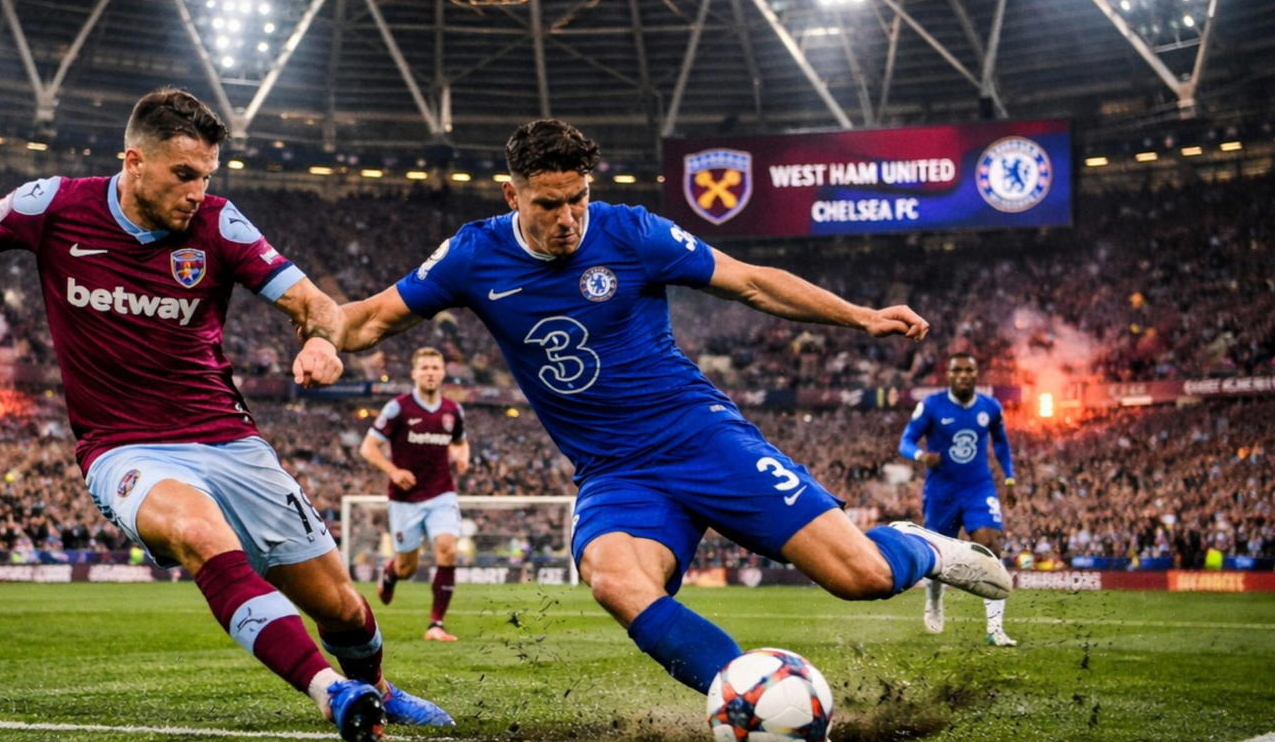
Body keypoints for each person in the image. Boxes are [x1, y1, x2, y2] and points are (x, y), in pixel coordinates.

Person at [0, 87, 450, 742]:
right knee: (200, 535)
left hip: (228, 439)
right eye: (183, 175)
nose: (197, 191)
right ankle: (331, 691)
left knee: (341, 605)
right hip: (125, 447)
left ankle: (378, 687)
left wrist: (320, 339)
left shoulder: (221, 225)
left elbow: (313, 301)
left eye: (206, 176)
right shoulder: (54, 205)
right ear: (134, 161)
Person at [337, 118, 1009, 698]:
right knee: (612, 579)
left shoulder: (632, 234)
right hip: (615, 472)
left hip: (700, 438)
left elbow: (749, 282)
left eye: (578, 199)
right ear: (512, 194)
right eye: (548, 204)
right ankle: (747, 696)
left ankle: (917, 546)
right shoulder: (473, 254)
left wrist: (861, 317)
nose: (568, 219)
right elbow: (367, 321)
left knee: (862, 576)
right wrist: (317, 336)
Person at [900, 352, 1019, 645]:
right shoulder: (931, 406)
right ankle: (934, 600)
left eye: (969, 370)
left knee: (991, 543)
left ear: (976, 375)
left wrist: (1009, 477)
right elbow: (906, 441)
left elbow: (1002, 443)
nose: (964, 375)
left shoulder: (990, 407)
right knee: (940, 560)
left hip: (979, 487)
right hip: (942, 492)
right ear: (949, 375)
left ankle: (995, 630)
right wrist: (921, 456)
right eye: (958, 370)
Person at [360, 347, 471, 641]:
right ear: (414, 373)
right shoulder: (398, 408)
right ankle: (391, 572)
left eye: (435, 367)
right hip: (405, 498)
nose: (430, 373)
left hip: (441, 493)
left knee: (447, 549)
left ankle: (436, 625)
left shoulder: (452, 410)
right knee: (407, 568)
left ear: (443, 373)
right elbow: (367, 448)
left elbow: (460, 441)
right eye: (425, 368)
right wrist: (393, 471)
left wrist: (462, 456)